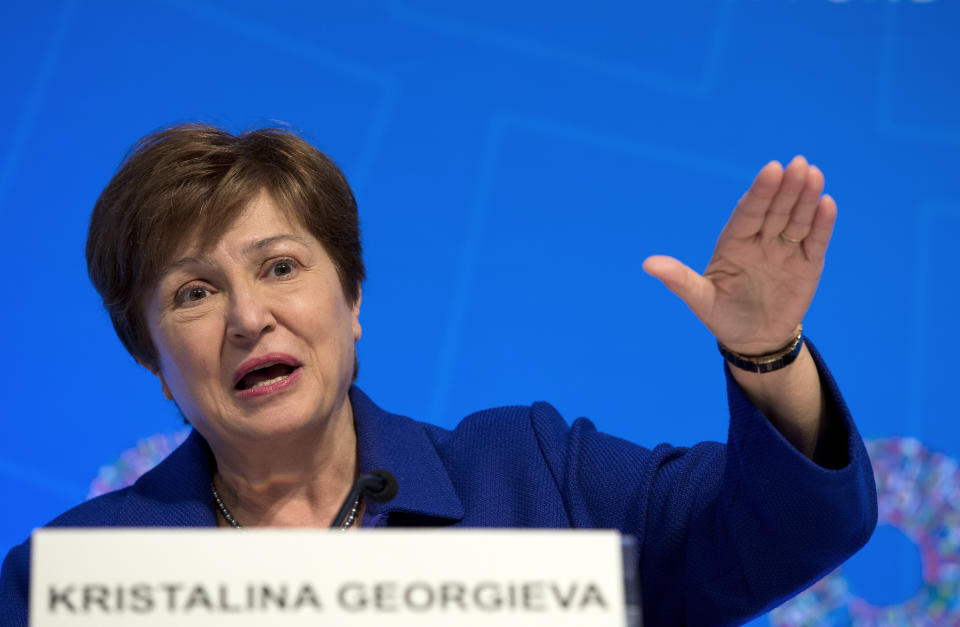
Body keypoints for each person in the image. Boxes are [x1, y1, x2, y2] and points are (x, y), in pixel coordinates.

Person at [0, 123, 877, 626]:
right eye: (194, 291)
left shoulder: (536, 476)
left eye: (279, 267)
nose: (247, 317)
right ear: (152, 359)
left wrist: (766, 351)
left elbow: (785, 531)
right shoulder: (68, 579)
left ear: (351, 302)